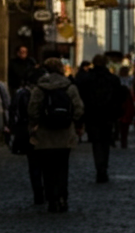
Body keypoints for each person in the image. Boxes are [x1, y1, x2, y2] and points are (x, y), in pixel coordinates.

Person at [27, 57, 84, 212]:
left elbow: (32, 110)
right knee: (62, 167)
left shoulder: (40, 88)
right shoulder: (69, 87)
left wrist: (36, 123)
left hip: (45, 134)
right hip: (65, 134)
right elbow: (79, 109)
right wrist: (71, 120)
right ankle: (62, 197)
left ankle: (52, 199)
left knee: (47, 168)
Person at [76, 54, 123, 183]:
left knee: (96, 142)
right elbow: (118, 97)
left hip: (92, 114)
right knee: (105, 142)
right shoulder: (112, 79)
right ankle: (103, 168)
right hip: (107, 114)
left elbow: (81, 96)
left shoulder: (87, 78)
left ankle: (99, 168)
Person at [9, 67, 47, 206]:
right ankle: (48, 192)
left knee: (34, 166)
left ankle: (38, 194)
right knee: (46, 165)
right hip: (44, 132)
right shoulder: (44, 93)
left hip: (28, 133)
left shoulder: (22, 93)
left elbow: (14, 112)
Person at [116, 64, 135, 149]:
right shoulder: (119, 79)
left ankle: (123, 139)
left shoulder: (130, 79)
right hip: (122, 100)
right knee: (121, 121)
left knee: (125, 121)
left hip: (125, 100)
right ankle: (121, 138)